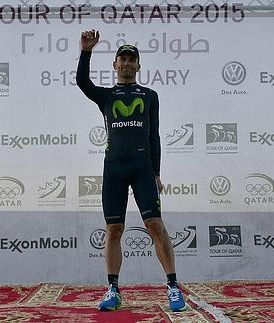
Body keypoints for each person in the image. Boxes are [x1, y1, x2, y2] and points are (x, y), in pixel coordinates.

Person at [76, 29, 186, 312]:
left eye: (131, 60)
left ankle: (173, 286)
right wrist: (86, 51)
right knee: (114, 229)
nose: (126, 63)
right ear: (114, 65)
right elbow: (82, 82)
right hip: (114, 166)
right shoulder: (106, 95)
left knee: (155, 225)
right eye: (121, 59)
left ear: (138, 66)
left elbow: (155, 136)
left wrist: (157, 173)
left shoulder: (150, 95)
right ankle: (113, 289)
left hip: (142, 167)